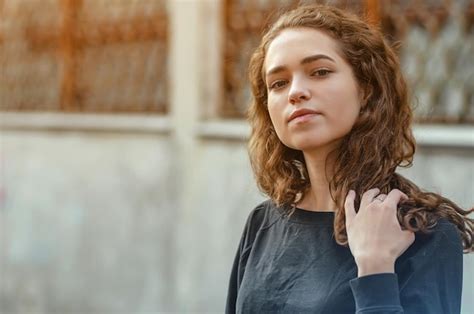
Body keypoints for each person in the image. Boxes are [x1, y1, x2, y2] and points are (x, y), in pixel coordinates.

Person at [225, 4, 473, 314]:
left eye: (320, 72)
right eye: (278, 83)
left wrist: (375, 268)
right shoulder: (262, 223)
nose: (296, 92)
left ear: (366, 89)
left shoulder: (422, 232)